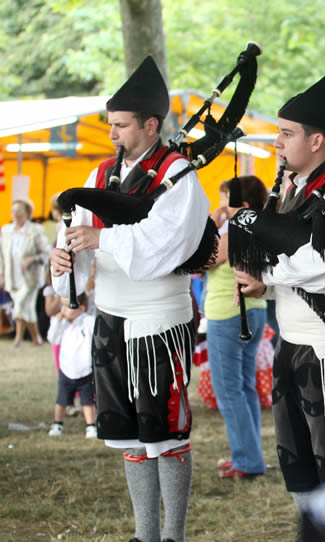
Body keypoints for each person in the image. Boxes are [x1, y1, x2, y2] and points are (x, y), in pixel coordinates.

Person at [49, 56, 209, 542]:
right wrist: (65, 260)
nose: (113, 134)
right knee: (130, 438)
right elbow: (75, 231)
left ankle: (173, 536)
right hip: (112, 319)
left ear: (151, 124)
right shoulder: (99, 177)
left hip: (159, 320)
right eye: (111, 125)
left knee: (165, 435)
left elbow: (167, 244)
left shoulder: (178, 175)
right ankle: (145, 534)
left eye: (121, 125)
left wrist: (103, 241)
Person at [234, 67, 325, 511]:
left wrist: (268, 274)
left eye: (286, 134)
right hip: (293, 340)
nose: (277, 143)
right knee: (298, 464)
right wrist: (267, 286)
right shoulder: (293, 190)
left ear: (316, 141)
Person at [205, 175, 268, 479]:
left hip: (228, 314)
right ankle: (248, 453)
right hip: (252, 311)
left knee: (229, 390)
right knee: (244, 388)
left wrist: (209, 223)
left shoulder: (235, 228)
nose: (220, 206)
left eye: (224, 200)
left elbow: (205, 258)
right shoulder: (258, 227)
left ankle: (247, 460)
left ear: (241, 205)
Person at [0, 199, 50, 347]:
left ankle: (18, 338)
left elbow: (46, 254)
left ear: (27, 213)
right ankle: (36, 339)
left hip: (31, 277)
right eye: (13, 211)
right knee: (26, 308)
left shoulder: (36, 230)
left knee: (20, 305)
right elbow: (1, 255)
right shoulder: (6, 230)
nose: (16, 214)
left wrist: (32, 259)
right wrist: (2, 274)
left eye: (19, 211)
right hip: (12, 276)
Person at [46, 293, 97, 438]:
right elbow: (53, 338)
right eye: (63, 305)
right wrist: (57, 321)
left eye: (68, 306)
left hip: (85, 369)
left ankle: (91, 425)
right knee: (62, 400)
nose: (64, 309)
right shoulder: (61, 323)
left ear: (81, 308)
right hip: (66, 368)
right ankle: (57, 424)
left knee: (88, 401)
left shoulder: (88, 321)